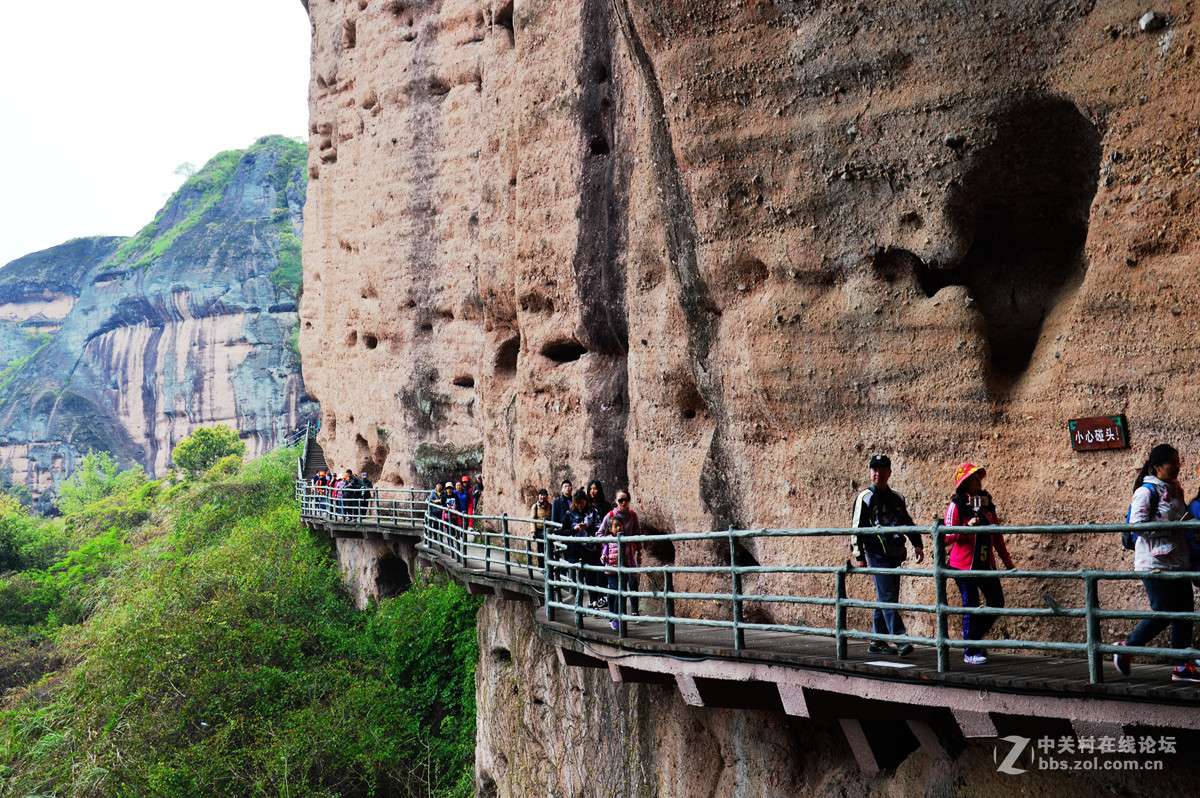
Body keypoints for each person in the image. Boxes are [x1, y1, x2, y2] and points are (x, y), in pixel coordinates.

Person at [1114, 444, 1200, 681]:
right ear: (1156, 466)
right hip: (1154, 563)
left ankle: (1181, 667)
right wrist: (1170, 529)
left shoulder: (1175, 490)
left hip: (1178, 562)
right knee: (1163, 610)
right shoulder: (1146, 492)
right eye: (1172, 461)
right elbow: (1137, 526)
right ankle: (1127, 647)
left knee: (1184, 612)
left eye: (1178, 460)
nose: (1177, 465)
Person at [851, 454, 924, 656]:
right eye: (874, 469)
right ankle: (900, 639)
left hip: (895, 553)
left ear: (889, 473)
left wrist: (917, 543)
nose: (878, 473)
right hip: (876, 553)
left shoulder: (897, 498)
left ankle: (877, 641)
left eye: (882, 470)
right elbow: (856, 527)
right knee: (888, 596)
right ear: (869, 472)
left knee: (886, 596)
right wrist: (859, 555)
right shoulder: (865, 497)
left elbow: (907, 522)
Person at [944, 462, 1014, 665]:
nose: (978, 481)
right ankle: (970, 651)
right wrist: (967, 527)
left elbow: (996, 535)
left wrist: (1007, 561)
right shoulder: (956, 506)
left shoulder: (986, 504)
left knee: (997, 601)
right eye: (973, 478)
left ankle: (971, 634)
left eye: (978, 477)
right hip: (963, 566)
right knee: (971, 604)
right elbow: (947, 537)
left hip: (985, 564)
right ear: (964, 483)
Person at [601, 515, 640, 630]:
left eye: (620, 525)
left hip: (623, 571)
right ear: (610, 528)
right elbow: (603, 556)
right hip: (612, 571)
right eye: (615, 526)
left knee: (620, 593)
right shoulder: (608, 540)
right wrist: (604, 558)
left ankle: (616, 617)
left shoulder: (626, 540)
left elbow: (632, 558)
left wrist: (633, 572)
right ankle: (615, 617)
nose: (618, 528)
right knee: (617, 592)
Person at [562, 489, 594, 605]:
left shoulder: (592, 512)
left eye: (582, 503)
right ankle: (578, 604)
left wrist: (588, 527)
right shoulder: (569, 514)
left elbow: (600, 529)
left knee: (590, 576)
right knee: (575, 578)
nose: (580, 505)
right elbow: (563, 532)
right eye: (577, 503)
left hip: (589, 549)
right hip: (574, 549)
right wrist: (574, 530)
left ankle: (592, 602)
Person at [530, 488, 553, 568]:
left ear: (547, 496)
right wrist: (533, 531)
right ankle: (541, 566)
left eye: (544, 495)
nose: (542, 497)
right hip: (539, 530)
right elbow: (532, 519)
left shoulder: (550, 506)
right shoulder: (535, 506)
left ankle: (549, 566)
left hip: (548, 530)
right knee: (541, 549)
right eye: (541, 495)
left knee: (549, 548)